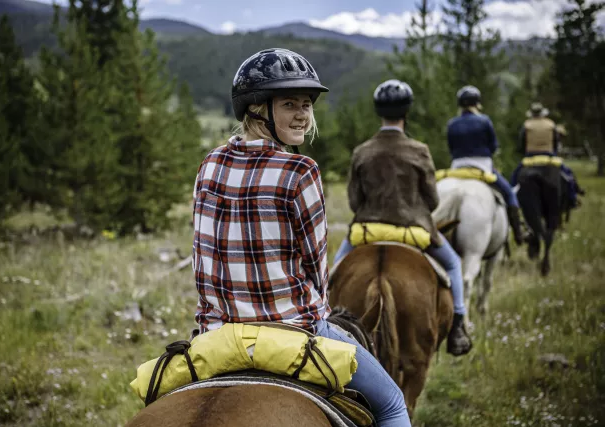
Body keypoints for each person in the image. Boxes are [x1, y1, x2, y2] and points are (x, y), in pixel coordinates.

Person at [192, 48, 410, 427]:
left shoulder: (209, 163)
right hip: (293, 327)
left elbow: (201, 254)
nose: (303, 115)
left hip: (218, 334)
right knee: (392, 403)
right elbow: (315, 267)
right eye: (290, 103)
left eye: (307, 104)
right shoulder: (300, 170)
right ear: (256, 107)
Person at [332, 79, 472, 357]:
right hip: (414, 231)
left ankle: (320, 321)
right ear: (406, 113)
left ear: (378, 112)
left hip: (366, 232)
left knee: (333, 274)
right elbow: (431, 200)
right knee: (454, 264)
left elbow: (354, 201)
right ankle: (458, 325)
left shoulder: (362, 151)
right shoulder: (419, 151)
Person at [446, 86, 524, 245]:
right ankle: (518, 233)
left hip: (456, 168)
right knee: (509, 193)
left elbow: (451, 147)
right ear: (477, 104)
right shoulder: (484, 121)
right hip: (482, 167)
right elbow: (493, 146)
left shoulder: (452, 124)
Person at [511, 103, 584, 208]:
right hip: (549, 157)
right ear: (542, 113)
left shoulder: (526, 125)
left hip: (530, 158)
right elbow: (555, 142)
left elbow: (521, 144)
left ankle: (512, 199)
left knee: (515, 176)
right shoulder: (551, 124)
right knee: (568, 175)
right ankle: (573, 197)